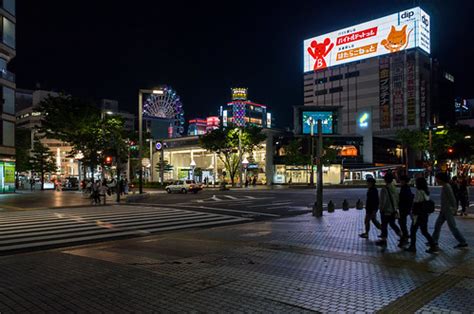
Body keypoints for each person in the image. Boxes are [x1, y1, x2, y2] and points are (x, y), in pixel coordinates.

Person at [432, 173, 468, 249]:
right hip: (444, 211)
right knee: (437, 225)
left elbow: (452, 198)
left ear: (441, 179)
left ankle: (463, 242)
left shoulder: (447, 187)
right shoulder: (444, 186)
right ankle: (434, 241)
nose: (436, 180)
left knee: (453, 227)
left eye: (437, 178)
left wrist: (454, 209)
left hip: (448, 211)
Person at [405, 177, 438, 253]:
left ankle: (413, 247)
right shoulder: (426, 191)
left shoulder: (419, 192)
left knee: (413, 231)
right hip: (424, 214)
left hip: (418, 215)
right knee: (424, 231)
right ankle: (433, 246)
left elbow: (416, 204)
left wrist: (413, 213)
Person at [376, 173, 402, 247]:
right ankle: (401, 235)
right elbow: (397, 199)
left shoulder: (384, 189)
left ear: (385, 180)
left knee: (384, 225)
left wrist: (381, 209)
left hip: (386, 210)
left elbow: (383, 201)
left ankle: (384, 240)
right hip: (393, 210)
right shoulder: (394, 188)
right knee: (392, 224)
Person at [398, 175, 414, 246]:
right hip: (405, 208)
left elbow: (404, 198)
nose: (400, 182)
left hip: (404, 208)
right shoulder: (406, 188)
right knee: (402, 222)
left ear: (404, 181)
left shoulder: (405, 188)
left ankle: (405, 237)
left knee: (402, 223)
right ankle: (405, 237)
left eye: (401, 180)